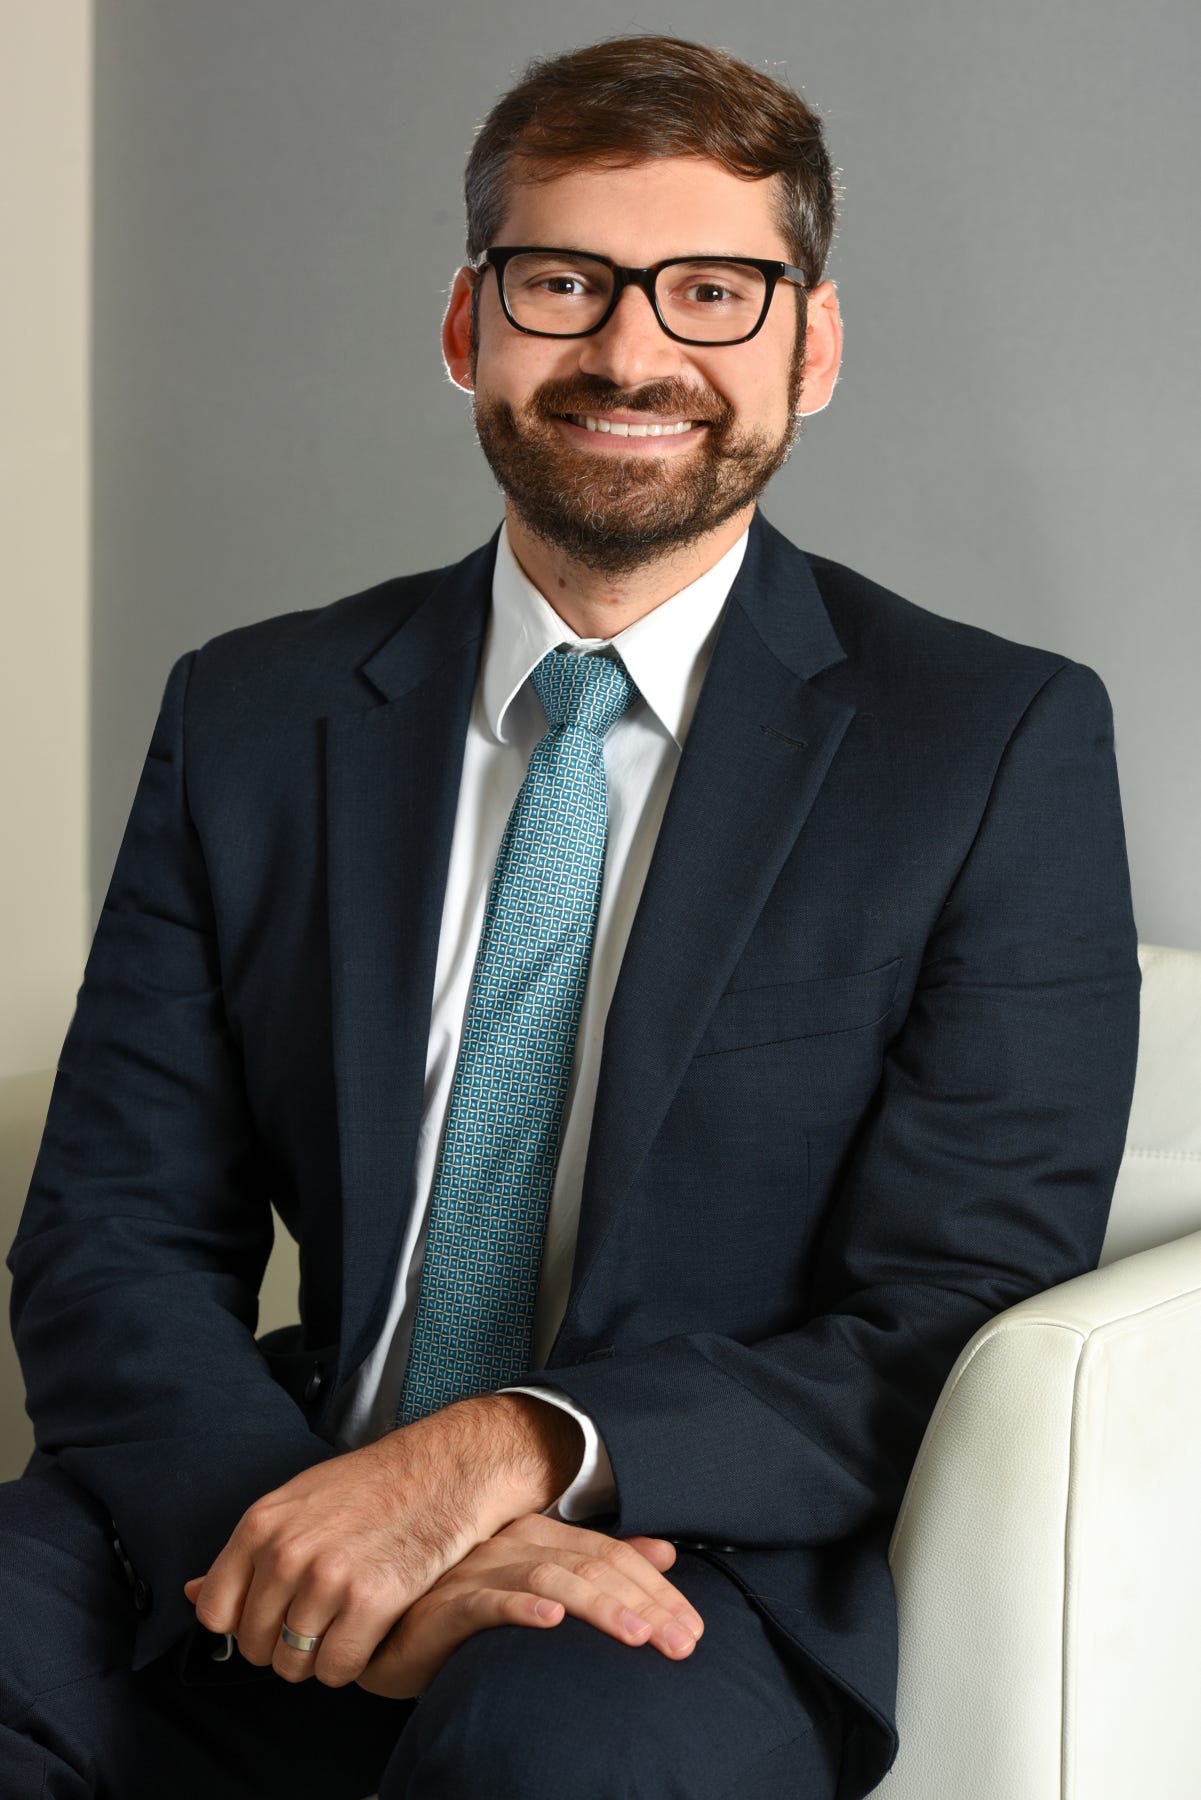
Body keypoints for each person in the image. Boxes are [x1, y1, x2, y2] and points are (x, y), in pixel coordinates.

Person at [3, 32, 1140, 1800]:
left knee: (554, 1753)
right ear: (467, 327)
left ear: (808, 349)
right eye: (564, 284)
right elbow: (110, 1237)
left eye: (711, 292)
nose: (631, 352)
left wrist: (507, 1455)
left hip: (687, 1561)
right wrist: (325, 1545)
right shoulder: (254, 712)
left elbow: (951, 1301)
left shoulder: (988, 741)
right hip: (257, 1491)